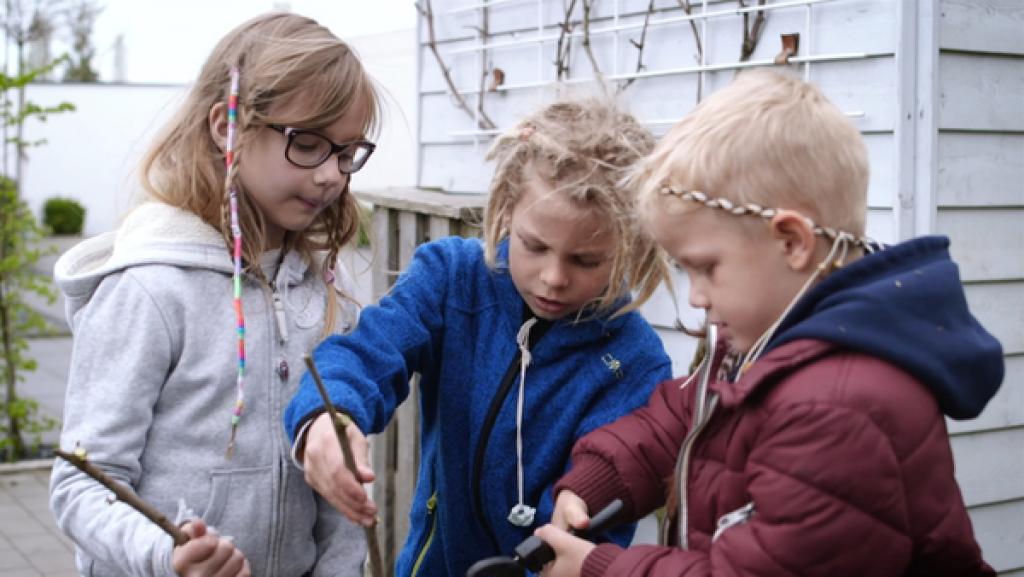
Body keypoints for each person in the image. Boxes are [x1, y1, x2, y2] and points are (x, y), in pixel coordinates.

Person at [536, 69, 1003, 577]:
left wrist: (602, 570)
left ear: (792, 243)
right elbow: (686, 416)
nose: (695, 297)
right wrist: (599, 478)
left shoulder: (839, 407)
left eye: (706, 267)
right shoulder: (774, 342)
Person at [284, 98, 674, 577]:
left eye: (586, 261)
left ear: (629, 243)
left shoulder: (634, 363)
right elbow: (368, 353)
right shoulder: (453, 279)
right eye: (535, 246)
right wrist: (329, 415)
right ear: (508, 207)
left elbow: (591, 518)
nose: (553, 278)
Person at [49, 12, 379, 577]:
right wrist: (166, 554)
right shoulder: (150, 288)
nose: (332, 176)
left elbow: (339, 496)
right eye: (309, 144)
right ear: (227, 127)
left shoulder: (328, 289)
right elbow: (83, 480)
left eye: (347, 153)